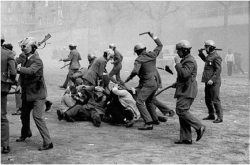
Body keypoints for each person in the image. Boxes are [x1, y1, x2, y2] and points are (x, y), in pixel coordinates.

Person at [15, 37, 53, 151]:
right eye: (22, 46)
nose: (22, 48)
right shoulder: (26, 58)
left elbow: (30, 71)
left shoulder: (37, 60)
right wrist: (19, 84)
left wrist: (18, 68)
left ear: (33, 48)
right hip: (28, 92)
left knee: (37, 117)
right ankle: (26, 133)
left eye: (25, 46)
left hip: (38, 93)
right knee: (24, 115)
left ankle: (48, 142)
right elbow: (23, 75)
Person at [124, 32, 162, 130]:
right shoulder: (152, 54)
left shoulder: (139, 60)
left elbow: (135, 71)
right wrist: (152, 35)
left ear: (137, 52)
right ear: (144, 49)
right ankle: (155, 119)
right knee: (149, 101)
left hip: (147, 84)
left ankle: (148, 123)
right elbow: (160, 45)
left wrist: (127, 79)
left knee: (139, 102)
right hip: (155, 82)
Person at [173, 40, 206, 145]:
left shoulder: (190, 61)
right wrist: (177, 83)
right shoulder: (186, 60)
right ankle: (186, 138)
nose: (177, 53)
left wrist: (177, 63)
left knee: (181, 110)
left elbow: (185, 74)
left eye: (179, 51)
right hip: (184, 89)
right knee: (182, 112)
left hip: (187, 90)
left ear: (184, 50)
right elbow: (184, 76)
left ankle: (199, 126)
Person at [198, 40, 223, 123]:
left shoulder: (216, 57)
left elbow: (218, 70)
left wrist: (212, 80)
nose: (205, 48)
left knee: (215, 99)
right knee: (207, 99)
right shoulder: (210, 56)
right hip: (207, 81)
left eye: (206, 47)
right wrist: (201, 53)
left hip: (214, 82)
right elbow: (206, 60)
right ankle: (211, 114)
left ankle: (219, 117)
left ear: (211, 47)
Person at [1, 33, 17, 154]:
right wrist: (11, 81)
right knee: (2, 116)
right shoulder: (8, 53)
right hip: (2, 87)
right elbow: (13, 71)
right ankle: (5, 145)